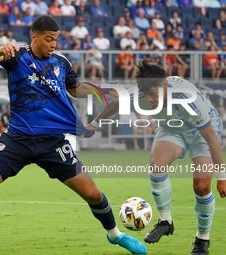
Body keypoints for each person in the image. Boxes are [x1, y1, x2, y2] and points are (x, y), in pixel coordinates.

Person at [0, 15, 147, 255]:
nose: (53, 44)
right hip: (18, 139)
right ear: (34, 36)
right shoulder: (16, 55)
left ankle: (115, 236)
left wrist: (104, 89)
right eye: (49, 39)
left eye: (55, 39)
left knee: (93, 194)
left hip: (53, 142)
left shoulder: (60, 61)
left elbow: (75, 89)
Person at [87, 59, 226, 255]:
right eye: (146, 95)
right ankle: (165, 221)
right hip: (172, 128)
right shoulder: (142, 93)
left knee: (202, 186)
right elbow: (119, 102)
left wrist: (222, 178)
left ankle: (202, 240)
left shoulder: (189, 98)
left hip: (201, 131)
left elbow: (211, 137)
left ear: (165, 85)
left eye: (153, 94)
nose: (150, 99)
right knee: (157, 165)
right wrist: (94, 124)